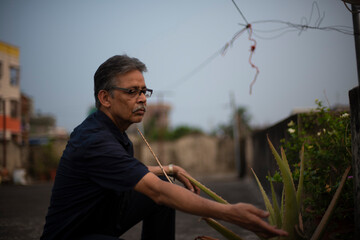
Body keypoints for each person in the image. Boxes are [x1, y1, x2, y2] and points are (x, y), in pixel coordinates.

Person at [41, 55, 287, 240]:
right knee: (163, 194)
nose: (143, 99)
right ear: (105, 98)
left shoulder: (110, 131)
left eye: (144, 91)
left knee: (161, 197)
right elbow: (158, 191)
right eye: (132, 92)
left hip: (100, 223)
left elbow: (127, 168)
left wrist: (169, 168)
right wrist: (230, 212)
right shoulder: (95, 140)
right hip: (74, 235)